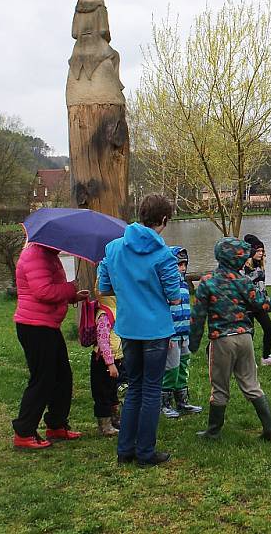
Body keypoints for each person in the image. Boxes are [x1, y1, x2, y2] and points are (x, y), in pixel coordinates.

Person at [189, 237, 271, 441]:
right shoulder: (244, 281)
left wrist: (193, 343)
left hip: (221, 341)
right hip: (245, 338)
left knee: (219, 387)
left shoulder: (207, 282)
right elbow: (265, 304)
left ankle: (213, 431)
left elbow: (198, 316)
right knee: (251, 384)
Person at [98, 194, 181, 466]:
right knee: (151, 390)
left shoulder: (112, 248)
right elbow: (175, 297)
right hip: (156, 329)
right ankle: (145, 453)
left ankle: (125, 451)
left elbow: (105, 287)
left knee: (134, 387)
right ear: (164, 220)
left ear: (141, 214)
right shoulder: (163, 255)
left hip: (128, 327)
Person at [12, 243, 89, 449]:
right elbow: (43, 291)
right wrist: (70, 288)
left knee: (63, 376)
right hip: (34, 326)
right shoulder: (35, 255)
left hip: (47, 325)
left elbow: (53, 286)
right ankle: (24, 431)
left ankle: (56, 425)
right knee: (43, 378)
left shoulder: (49, 254)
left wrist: (73, 295)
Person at [161, 246, 202, 418]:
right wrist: (167, 333)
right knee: (171, 368)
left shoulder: (185, 285)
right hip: (172, 335)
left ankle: (182, 401)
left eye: (184, 264)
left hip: (185, 333)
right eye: (179, 265)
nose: (183, 268)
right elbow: (163, 311)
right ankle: (164, 403)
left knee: (183, 367)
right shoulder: (165, 286)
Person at [243, 234, 271, 367]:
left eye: (262, 251)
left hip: (259, 305)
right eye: (258, 251)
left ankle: (266, 356)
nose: (261, 253)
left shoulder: (260, 266)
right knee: (249, 333)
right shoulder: (244, 268)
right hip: (246, 306)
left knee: (269, 328)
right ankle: (246, 361)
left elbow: (261, 286)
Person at [91, 289, 122, 437]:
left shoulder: (118, 311)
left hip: (117, 358)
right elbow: (103, 342)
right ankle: (105, 424)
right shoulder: (104, 314)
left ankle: (115, 418)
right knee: (103, 392)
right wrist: (110, 363)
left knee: (112, 390)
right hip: (103, 361)